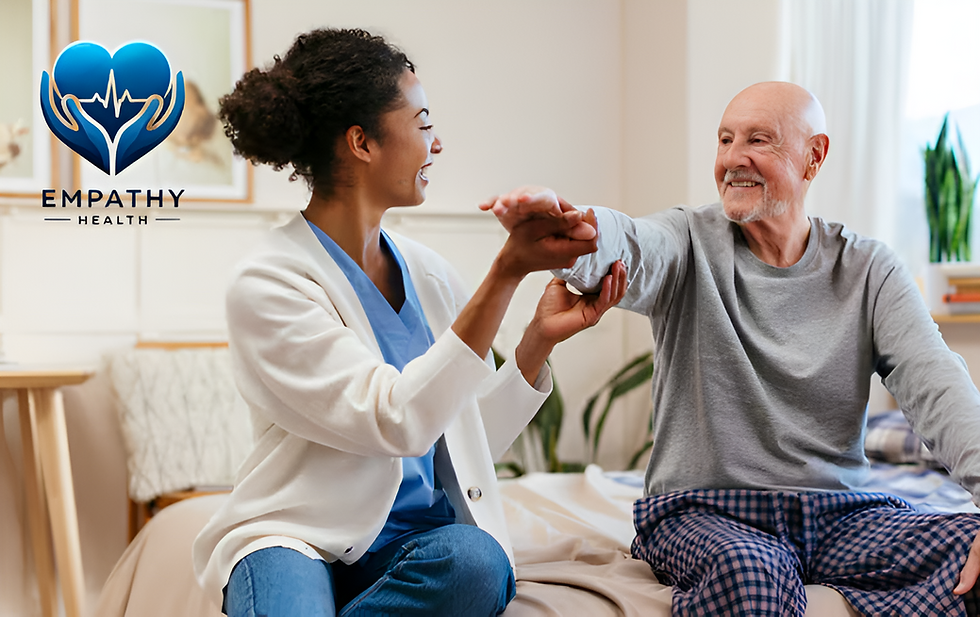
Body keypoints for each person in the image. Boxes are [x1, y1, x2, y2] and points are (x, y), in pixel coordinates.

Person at [482, 81, 980, 616]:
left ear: (814, 157)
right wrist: (575, 231)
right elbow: (628, 245)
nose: (732, 158)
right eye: (725, 140)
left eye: (757, 140)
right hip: (707, 512)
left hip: (840, 517)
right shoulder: (686, 241)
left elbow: (937, 384)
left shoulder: (869, 269)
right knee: (750, 578)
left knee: (967, 551)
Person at [191, 28, 627, 617]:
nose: (436, 143)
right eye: (422, 124)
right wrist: (505, 274)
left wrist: (535, 344)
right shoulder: (268, 282)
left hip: (411, 544)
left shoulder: (431, 275)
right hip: (298, 536)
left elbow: (461, 437)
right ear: (362, 142)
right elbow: (395, 419)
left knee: (477, 564)